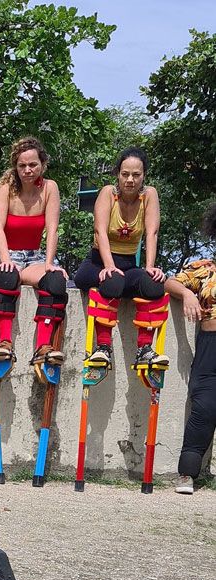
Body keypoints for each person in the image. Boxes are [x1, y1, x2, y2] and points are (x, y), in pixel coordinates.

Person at [73, 147, 169, 369]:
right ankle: (103, 347)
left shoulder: (149, 195)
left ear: (144, 175)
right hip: (98, 261)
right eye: (125, 174)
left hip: (128, 264)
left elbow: (152, 233)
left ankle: (144, 349)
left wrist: (150, 267)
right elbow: (100, 231)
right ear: (118, 173)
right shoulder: (108, 193)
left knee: (153, 285)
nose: (130, 180)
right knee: (112, 281)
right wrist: (108, 266)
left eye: (136, 175)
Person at [0, 137, 68, 365]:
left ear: (42, 164)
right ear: (15, 167)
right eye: (22, 166)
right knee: (7, 274)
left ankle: (43, 346)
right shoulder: (6, 189)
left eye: (33, 165)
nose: (28, 170)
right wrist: (6, 259)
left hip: (34, 257)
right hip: (5, 255)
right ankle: (5, 343)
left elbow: (52, 228)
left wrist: (50, 262)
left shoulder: (50, 188)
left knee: (56, 281)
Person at [164, 202, 216, 495]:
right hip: (211, 347)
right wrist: (186, 294)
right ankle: (187, 475)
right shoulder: (205, 269)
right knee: (205, 408)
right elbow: (170, 282)